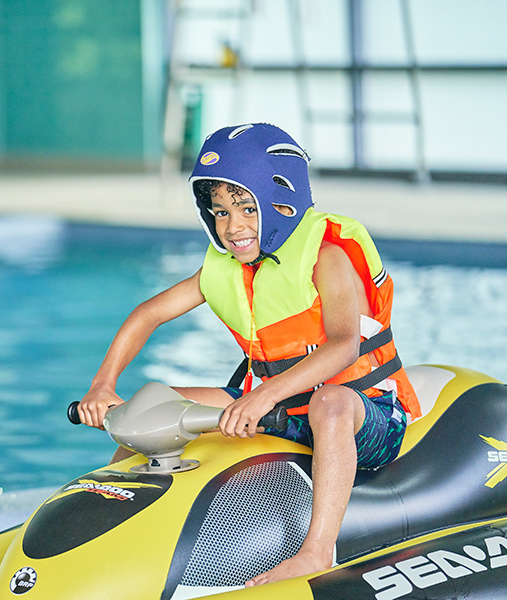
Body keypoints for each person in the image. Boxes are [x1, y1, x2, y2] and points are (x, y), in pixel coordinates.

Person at [77, 123, 421, 587]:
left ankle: (316, 552)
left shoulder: (327, 258)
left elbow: (345, 345)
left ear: (283, 203)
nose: (232, 226)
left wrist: (263, 396)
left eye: (247, 208)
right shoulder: (223, 267)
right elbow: (148, 314)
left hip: (363, 411)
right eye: (220, 211)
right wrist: (103, 385)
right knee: (153, 403)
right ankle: (102, 513)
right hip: (278, 406)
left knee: (329, 402)